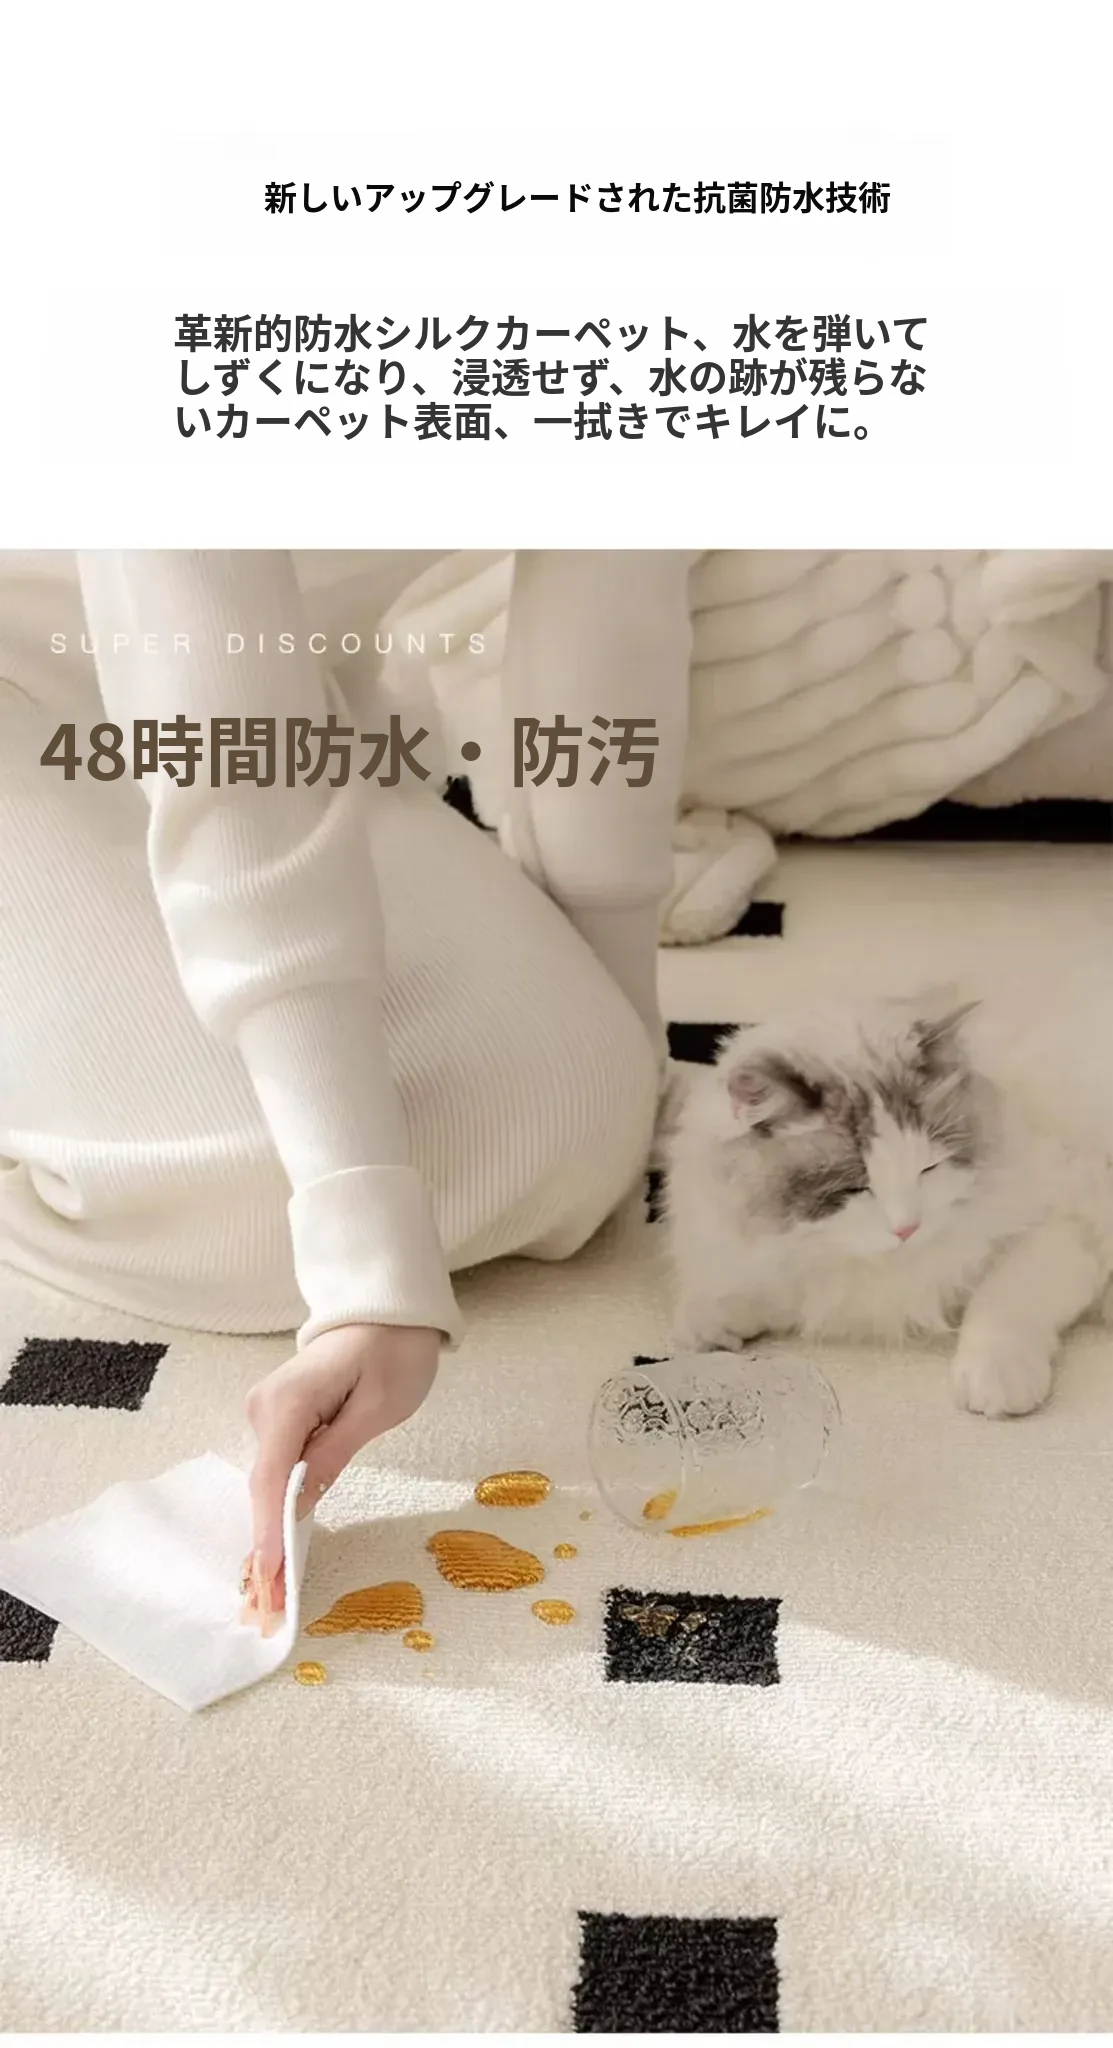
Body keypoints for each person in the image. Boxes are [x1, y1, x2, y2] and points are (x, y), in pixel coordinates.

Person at [0, 548, 694, 1601]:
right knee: (252, 1204)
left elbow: (613, 591)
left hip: (292, 713)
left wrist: (623, 1033)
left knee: (571, 1109)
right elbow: (215, 718)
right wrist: (364, 1267)